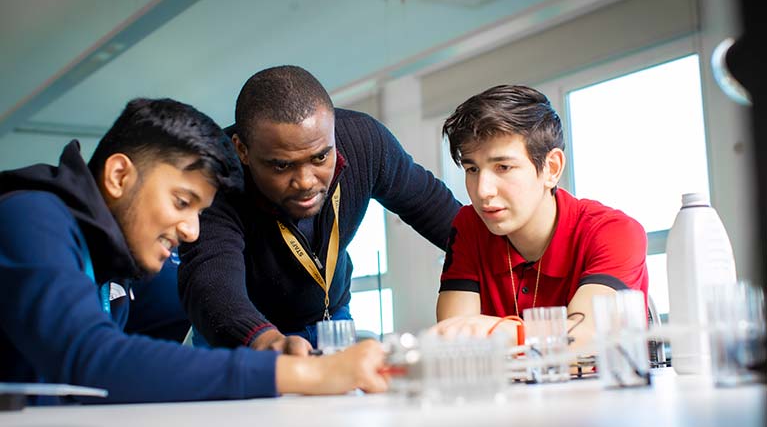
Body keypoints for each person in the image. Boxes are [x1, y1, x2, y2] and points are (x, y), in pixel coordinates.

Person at [0, 98, 387, 405]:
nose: (191, 231)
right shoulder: (30, 215)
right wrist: (304, 374)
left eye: (200, 212)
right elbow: (92, 358)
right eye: (182, 202)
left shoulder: (116, 269)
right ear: (119, 176)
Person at [178, 65, 461, 355]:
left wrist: (502, 261)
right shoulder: (214, 175)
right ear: (242, 150)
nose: (305, 182)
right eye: (281, 165)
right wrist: (266, 341)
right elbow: (210, 282)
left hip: (332, 320)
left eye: (320, 157)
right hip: (245, 334)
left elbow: (438, 211)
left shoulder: (364, 141)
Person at [431, 85, 648, 350]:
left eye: (503, 167)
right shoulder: (469, 225)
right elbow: (456, 343)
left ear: (551, 168)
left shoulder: (615, 231)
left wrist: (502, 331)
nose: (482, 191)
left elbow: (587, 339)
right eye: (472, 169)